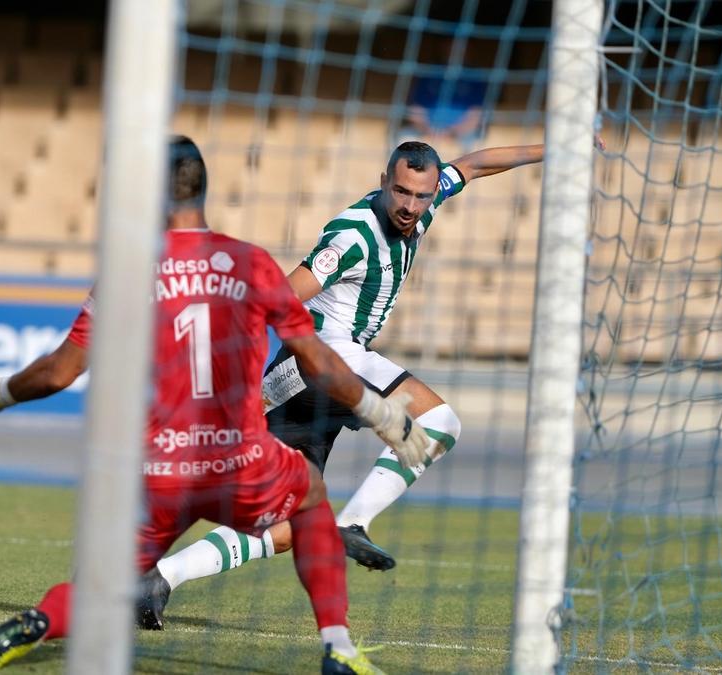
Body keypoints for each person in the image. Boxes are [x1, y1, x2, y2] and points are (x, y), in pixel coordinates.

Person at [0, 136, 430, 673]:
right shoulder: (251, 264)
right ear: (203, 191)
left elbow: (57, 373)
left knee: (101, 588)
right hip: (240, 457)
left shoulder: (130, 272)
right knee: (311, 500)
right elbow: (317, 360)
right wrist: (381, 412)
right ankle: (338, 647)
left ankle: (39, 621)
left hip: (162, 469)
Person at [140, 139, 571, 627]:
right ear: (384, 181)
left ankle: (161, 578)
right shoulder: (354, 236)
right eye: (401, 192)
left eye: (421, 196)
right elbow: (280, 296)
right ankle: (353, 522)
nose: (410, 206)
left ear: (433, 191)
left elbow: (474, 163)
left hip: (298, 387)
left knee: (284, 527)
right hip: (325, 359)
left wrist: (557, 145)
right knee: (440, 420)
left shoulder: (425, 204)